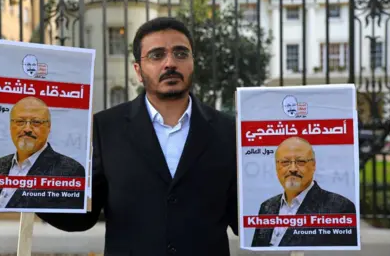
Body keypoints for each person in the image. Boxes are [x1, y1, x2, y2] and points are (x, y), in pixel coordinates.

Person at [36, 17, 238, 256]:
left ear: (193, 62)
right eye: (156, 55)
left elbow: (243, 217)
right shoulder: (106, 128)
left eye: (181, 54)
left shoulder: (229, 131)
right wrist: (30, 193)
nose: (170, 63)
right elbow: (83, 217)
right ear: (138, 70)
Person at [0, 96, 86, 209]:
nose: (27, 129)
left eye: (36, 122)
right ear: (10, 126)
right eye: (20, 122)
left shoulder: (70, 170)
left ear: (49, 127)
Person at [251, 136, 357, 247]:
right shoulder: (267, 207)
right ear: (276, 166)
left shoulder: (340, 208)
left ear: (313, 165)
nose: (293, 168)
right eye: (285, 162)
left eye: (300, 161)